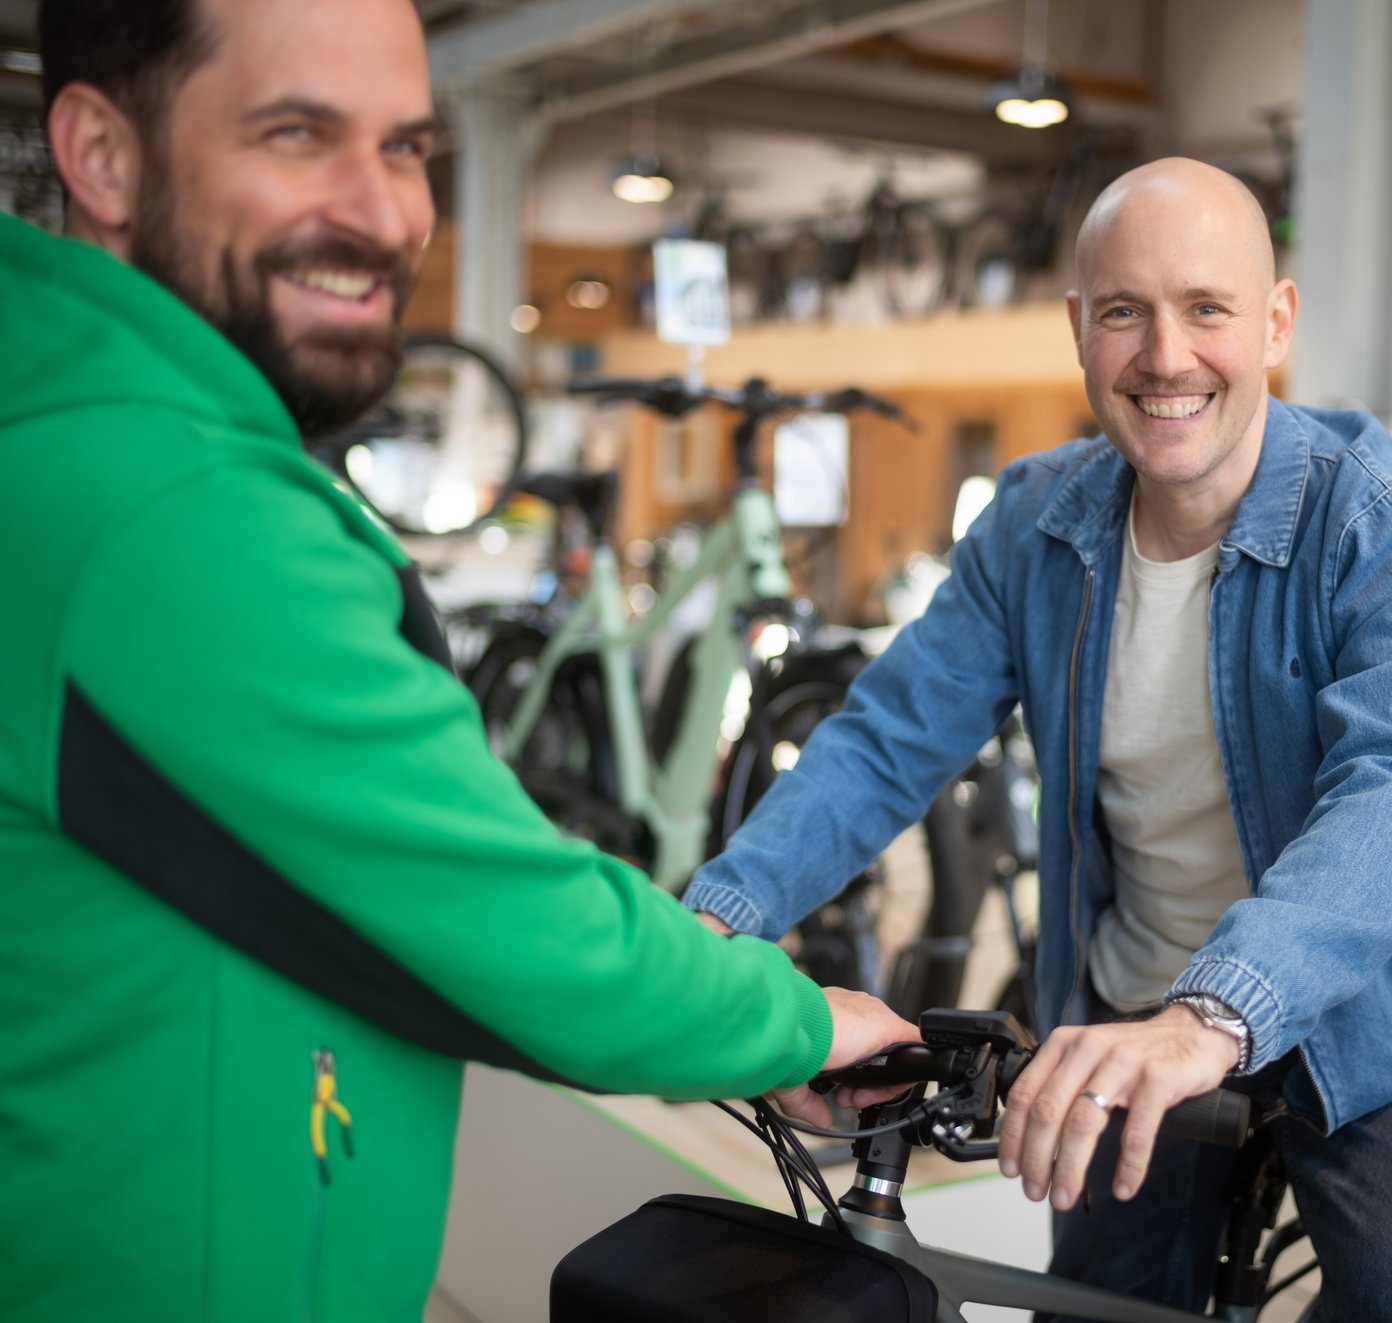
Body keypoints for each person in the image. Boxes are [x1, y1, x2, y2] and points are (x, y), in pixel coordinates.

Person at [0, 1, 915, 1319]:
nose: (382, 212)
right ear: (100, 153)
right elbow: (509, 918)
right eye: (298, 133)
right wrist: (795, 1021)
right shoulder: (164, 507)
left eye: (407, 147)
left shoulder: (74, 428)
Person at [686, 156, 1392, 1321]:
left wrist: (1216, 1014)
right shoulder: (1031, 526)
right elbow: (887, 739)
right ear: (1078, 330)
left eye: (1207, 308)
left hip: (1380, 999)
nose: (1165, 356)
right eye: (1123, 311)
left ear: (1275, 321)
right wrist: (712, 924)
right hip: (1137, 996)